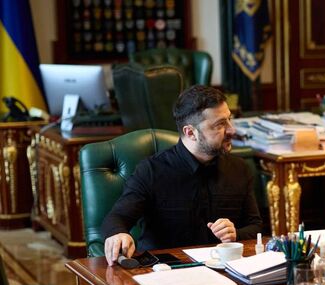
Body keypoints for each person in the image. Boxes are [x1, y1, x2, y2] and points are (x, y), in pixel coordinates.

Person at [101, 85, 263, 266]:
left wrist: (235, 234)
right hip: (165, 271)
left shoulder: (239, 169)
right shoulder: (151, 171)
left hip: (223, 268)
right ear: (190, 132)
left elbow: (255, 226)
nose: (231, 130)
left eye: (229, 120)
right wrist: (118, 234)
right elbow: (116, 218)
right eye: (220, 124)